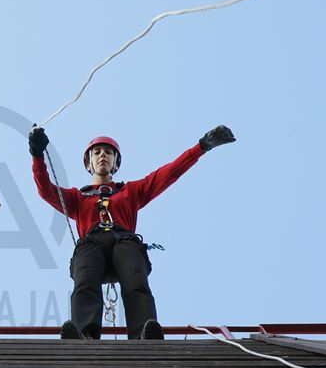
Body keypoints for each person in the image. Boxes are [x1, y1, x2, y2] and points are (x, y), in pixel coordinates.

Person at [28, 125, 235, 340]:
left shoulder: (131, 191)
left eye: (108, 153)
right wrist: (37, 155)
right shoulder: (77, 198)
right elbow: (46, 189)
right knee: (85, 281)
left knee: (135, 281)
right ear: (89, 163)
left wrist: (202, 147)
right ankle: (84, 334)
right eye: (96, 152)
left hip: (124, 242)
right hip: (91, 244)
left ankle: (144, 333)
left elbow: (168, 173)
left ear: (115, 163)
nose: (102, 156)